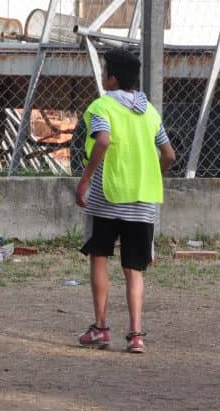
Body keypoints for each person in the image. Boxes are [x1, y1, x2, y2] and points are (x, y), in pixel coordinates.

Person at [75, 48, 175, 354]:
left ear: (113, 78)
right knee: (134, 268)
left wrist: (86, 179)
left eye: (105, 71)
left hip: (108, 194)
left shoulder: (101, 107)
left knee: (100, 257)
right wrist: (149, 174)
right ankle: (135, 335)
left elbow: (102, 140)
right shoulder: (150, 112)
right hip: (143, 201)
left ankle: (101, 328)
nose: (103, 76)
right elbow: (169, 155)